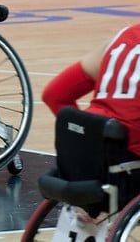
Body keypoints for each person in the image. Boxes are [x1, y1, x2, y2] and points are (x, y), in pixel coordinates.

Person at [42, 23, 140, 157]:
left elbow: (54, 95)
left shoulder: (120, 39)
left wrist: (79, 131)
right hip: (128, 159)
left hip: (85, 153)